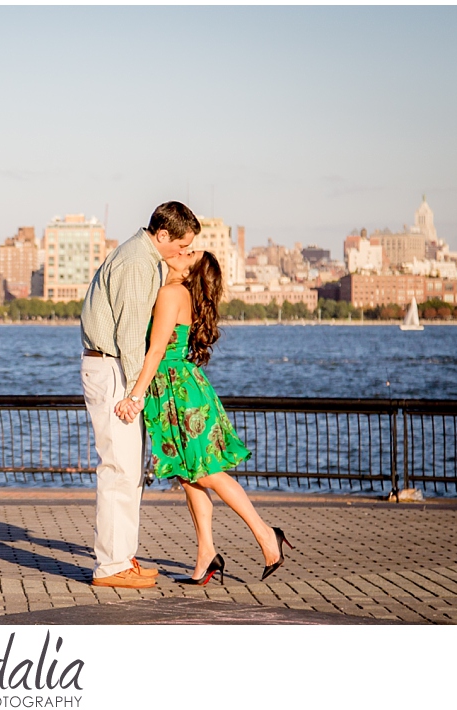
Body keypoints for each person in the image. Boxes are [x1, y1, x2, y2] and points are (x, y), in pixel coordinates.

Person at [115, 250, 293, 585]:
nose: (181, 252)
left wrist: (135, 396)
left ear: (190, 269)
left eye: (189, 253)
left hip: (179, 393)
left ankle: (268, 535)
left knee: (208, 472)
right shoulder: (173, 291)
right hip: (176, 390)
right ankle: (206, 555)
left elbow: (156, 350)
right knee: (190, 475)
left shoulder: (171, 294)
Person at [79, 201, 200, 588]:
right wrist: (137, 393)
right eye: (182, 246)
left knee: (128, 469)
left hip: (114, 367)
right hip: (114, 369)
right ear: (162, 235)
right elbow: (131, 335)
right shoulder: (136, 263)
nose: (183, 254)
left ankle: (121, 557)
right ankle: (111, 566)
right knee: (119, 468)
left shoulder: (143, 259)